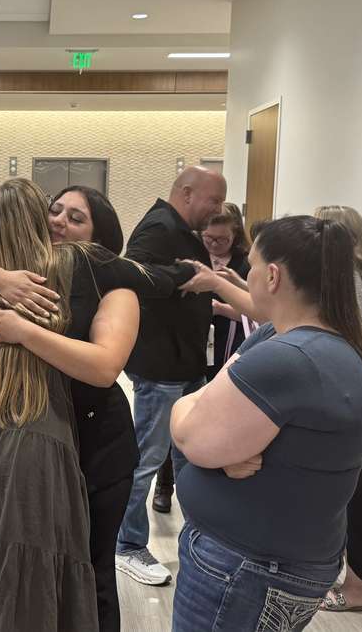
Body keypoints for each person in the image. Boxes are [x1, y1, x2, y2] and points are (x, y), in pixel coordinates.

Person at [0, 182, 192, 632]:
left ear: (101, 237)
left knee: (89, 570)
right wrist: (2, 280)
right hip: (29, 435)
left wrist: (22, 330)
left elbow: (105, 367)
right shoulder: (15, 270)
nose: (59, 223)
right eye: (55, 211)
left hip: (94, 445)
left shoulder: (107, 276)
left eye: (76, 218)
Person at [169, 215, 362, 632]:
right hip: (271, 561)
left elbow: (189, 432)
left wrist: (190, 414)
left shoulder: (289, 358)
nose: (245, 275)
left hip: (247, 567)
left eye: (250, 266)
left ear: (272, 276)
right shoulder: (312, 342)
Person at [116, 165, 226, 587]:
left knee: (190, 459)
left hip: (185, 367)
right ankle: (127, 546)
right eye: (213, 201)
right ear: (186, 192)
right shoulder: (159, 227)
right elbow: (133, 278)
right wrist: (185, 276)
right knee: (145, 461)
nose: (217, 210)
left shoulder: (182, 231)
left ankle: (195, 543)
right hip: (161, 370)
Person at [313, 204, 362, 614]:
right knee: (353, 489)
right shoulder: (360, 274)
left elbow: (345, 337)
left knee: (354, 491)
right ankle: (350, 579)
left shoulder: (348, 278)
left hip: (352, 393)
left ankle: (358, 587)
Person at [154, 202, 251, 514]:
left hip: (229, 344)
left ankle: (206, 488)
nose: (213, 244)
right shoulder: (191, 250)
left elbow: (258, 311)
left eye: (221, 240)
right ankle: (165, 484)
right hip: (193, 346)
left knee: (215, 417)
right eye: (208, 238)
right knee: (177, 420)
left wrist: (220, 298)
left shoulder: (244, 264)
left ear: (234, 235)